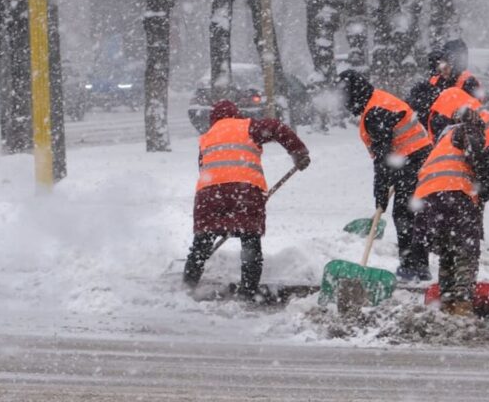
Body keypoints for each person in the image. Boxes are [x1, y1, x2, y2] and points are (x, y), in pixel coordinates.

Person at [183, 100, 311, 295]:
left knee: (202, 243)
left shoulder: (207, 137)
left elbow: (204, 168)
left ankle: (187, 285)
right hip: (244, 191)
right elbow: (277, 127)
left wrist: (222, 214)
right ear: (237, 114)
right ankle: (248, 292)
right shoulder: (248, 126)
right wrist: (298, 152)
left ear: (213, 119)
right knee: (249, 241)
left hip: (209, 195)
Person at [338, 69, 432, 281]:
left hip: (413, 160)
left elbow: (384, 159)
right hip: (418, 158)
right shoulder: (377, 100)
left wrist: (380, 191)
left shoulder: (375, 112)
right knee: (412, 212)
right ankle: (417, 265)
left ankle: (413, 267)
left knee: (405, 213)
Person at [428, 86, 489, 252]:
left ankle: (475, 240)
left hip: (487, 153)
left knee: (475, 197)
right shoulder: (453, 93)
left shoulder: (438, 113)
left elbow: (447, 145)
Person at [413, 109, 489, 316]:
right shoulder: (468, 131)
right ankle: (462, 305)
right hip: (455, 195)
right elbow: (477, 157)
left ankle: (447, 302)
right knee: (466, 251)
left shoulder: (442, 140)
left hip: (428, 200)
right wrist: (484, 186)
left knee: (447, 251)